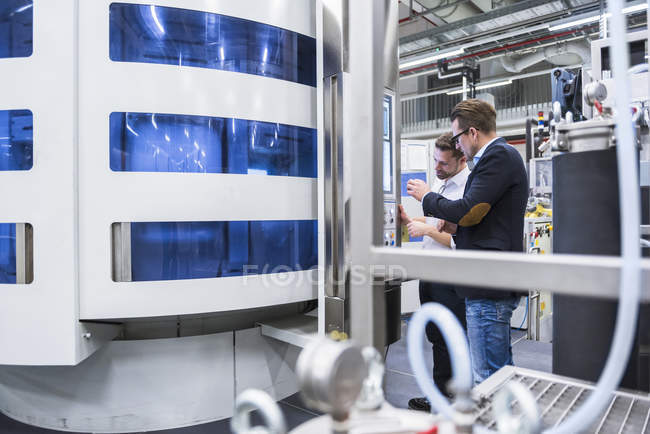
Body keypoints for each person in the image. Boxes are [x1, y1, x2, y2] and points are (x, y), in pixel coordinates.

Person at [406, 99, 528, 384]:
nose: (458, 145)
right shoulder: (496, 158)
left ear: (472, 133)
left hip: (488, 283)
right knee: (495, 369)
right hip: (486, 282)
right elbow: (477, 217)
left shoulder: (497, 157)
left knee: (488, 375)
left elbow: (467, 210)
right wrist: (456, 226)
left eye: (459, 138)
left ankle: (495, 427)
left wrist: (426, 196)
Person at [400, 132, 470, 412]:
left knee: (449, 339)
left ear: (462, 158)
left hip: (450, 278)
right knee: (437, 338)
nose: (437, 168)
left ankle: (446, 399)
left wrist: (427, 230)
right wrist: (408, 219)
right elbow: (436, 219)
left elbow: (457, 239)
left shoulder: (467, 189)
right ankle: (442, 394)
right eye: (435, 162)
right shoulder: (444, 185)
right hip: (431, 275)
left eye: (443, 163)